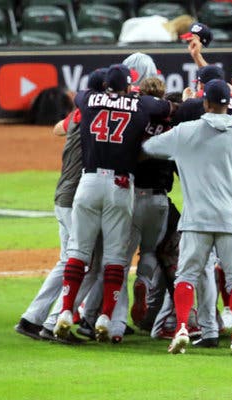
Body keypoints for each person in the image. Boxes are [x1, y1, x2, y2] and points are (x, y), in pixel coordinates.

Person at [53, 64, 173, 342]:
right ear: (128, 86)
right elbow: (166, 109)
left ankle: (66, 312)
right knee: (115, 258)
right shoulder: (140, 105)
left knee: (78, 252)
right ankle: (106, 316)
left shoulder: (87, 99)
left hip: (89, 183)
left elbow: (82, 94)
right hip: (121, 185)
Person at [142, 79, 232, 355]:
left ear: (205, 103)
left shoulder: (185, 132)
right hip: (231, 219)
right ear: (227, 104)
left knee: (187, 275)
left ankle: (182, 326)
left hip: (197, 218)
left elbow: (150, 148)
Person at [14, 68, 108, 345]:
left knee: (69, 260)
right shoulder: (96, 116)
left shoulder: (81, 113)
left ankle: (32, 318)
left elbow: (57, 128)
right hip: (74, 199)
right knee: (86, 263)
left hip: (65, 195)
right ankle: (56, 321)